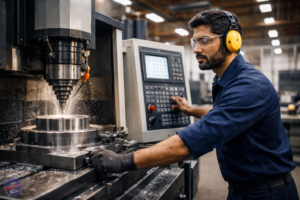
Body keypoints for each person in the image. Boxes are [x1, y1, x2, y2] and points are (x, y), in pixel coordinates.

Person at [90, 10, 298, 199]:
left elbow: (188, 144)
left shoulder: (248, 86)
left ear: (232, 41)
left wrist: (121, 161)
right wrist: (190, 109)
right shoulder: (227, 80)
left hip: (267, 193)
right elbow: (223, 114)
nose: (196, 49)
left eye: (204, 41)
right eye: (194, 42)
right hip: (243, 189)